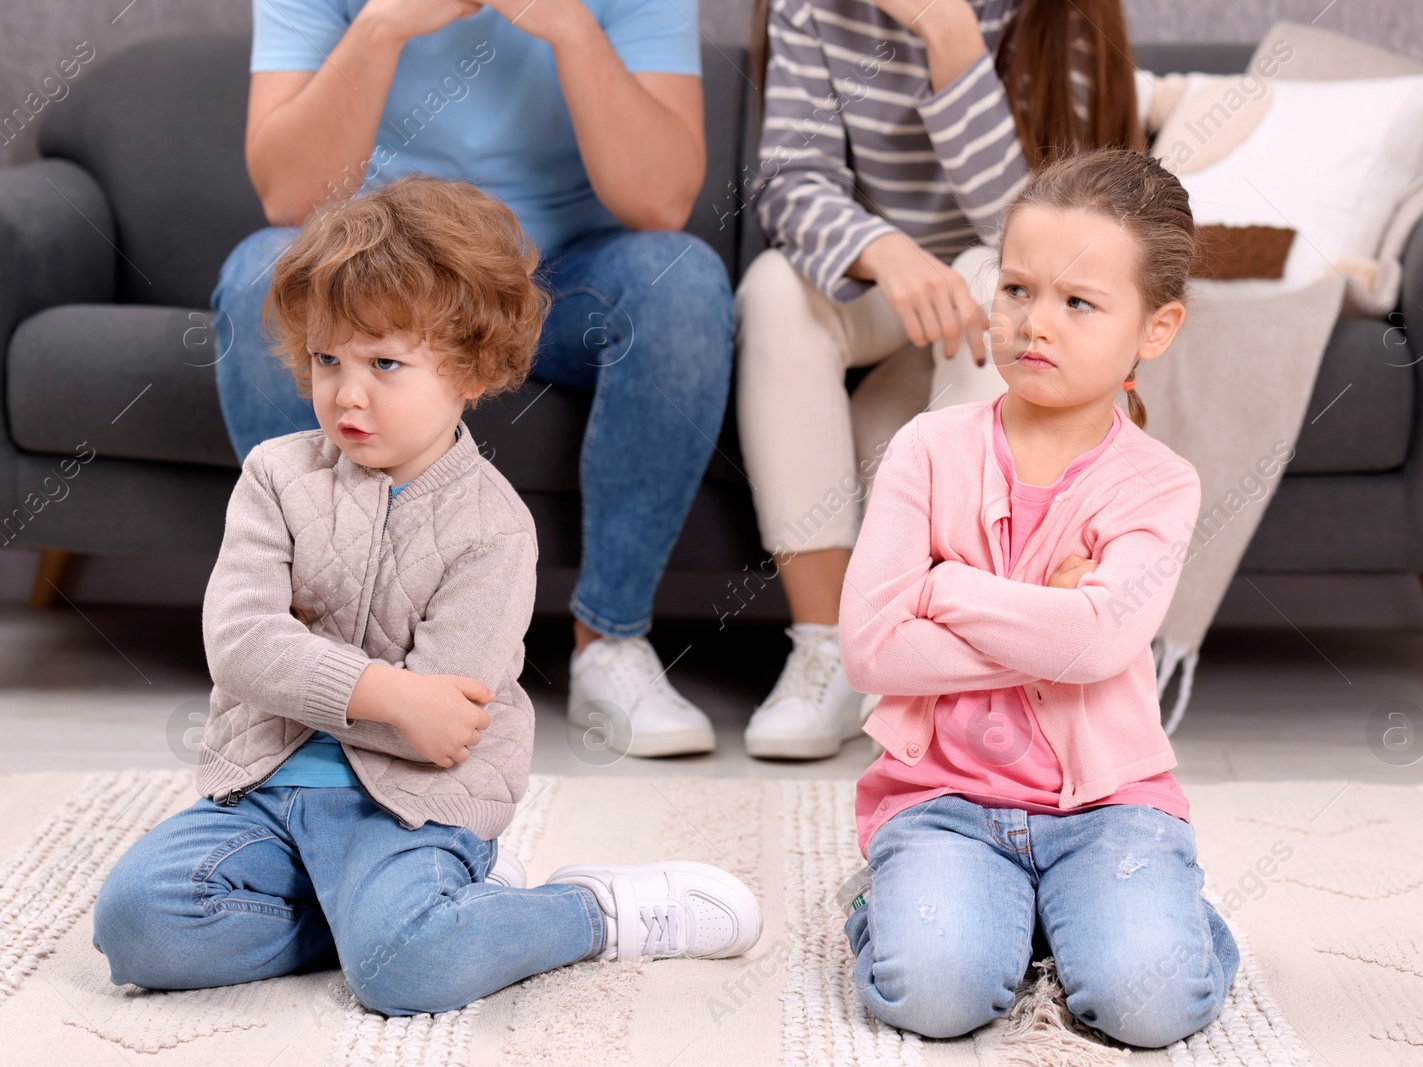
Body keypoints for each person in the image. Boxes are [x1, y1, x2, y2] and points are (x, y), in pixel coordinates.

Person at [93, 178, 762, 1016]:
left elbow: (447, 725)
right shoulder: (275, 475)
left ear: (471, 368)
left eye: (384, 364)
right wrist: (388, 692)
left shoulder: (495, 527)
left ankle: (591, 913)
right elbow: (240, 643)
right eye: (327, 359)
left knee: (404, 976)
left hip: (407, 807)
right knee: (136, 924)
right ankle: (415, 919)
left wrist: (343, 683)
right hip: (263, 788)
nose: (347, 393)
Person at [211, 0, 733, 758]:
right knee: (262, 269)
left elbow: (660, 201)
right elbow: (291, 200)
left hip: (565, 284)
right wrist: (384, 22)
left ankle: (611, 644)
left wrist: (570, 24)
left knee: (681, 283)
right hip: (382, 291)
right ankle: (318, 653)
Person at [836, 148, 1237, 1045]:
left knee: (1147, 1003)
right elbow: (867, 647)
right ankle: (921, 903)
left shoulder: (1159, 485)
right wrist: (1047, 612)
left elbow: (1097, 645)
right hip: (944, 801)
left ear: (1155, 327)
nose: (1033, 325)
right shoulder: (926, 449)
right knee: (934, 994)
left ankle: (1129, 912)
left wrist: (944, 587)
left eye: (1078, 302)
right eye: (1016, 290)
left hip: (1111, 808)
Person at [735, 0, 1152, 758]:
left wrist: (950, 36)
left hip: (999, 289)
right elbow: (792, 184)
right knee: (772, 287)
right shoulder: (812, 10)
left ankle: (955, 654)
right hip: (878, 288)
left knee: (993, 272)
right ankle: (825, 648)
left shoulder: (1064, 16)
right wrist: (884, 249)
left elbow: (1045, 234)